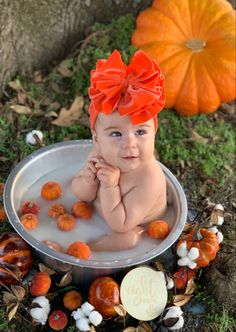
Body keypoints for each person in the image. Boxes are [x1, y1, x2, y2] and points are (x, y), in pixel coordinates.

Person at [72, 49, 167, 251]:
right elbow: (81, 194)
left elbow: (121, 223)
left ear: (154, 133)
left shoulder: (149, 178)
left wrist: (109, 187)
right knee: (76, 206)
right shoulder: (99, 155)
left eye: (141, 132)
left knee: (128, 239)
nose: (130, 143)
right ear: (97, 140)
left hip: (138, 224)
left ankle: (87, 250)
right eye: (116, 134)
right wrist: (88, 180)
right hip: (101, 211)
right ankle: (74, 242)